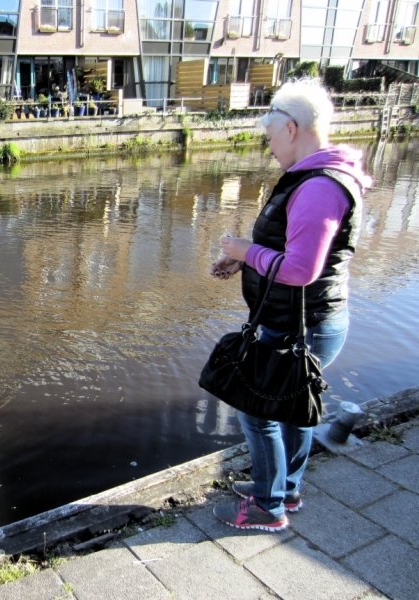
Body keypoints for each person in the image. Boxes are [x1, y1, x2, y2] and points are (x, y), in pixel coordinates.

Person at [208, 79, 372, 531]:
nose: (269, 146)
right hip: (305, 319)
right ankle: (285, 489)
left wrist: (245, 251)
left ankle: (268, 506)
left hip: (305, 325)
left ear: (293, 128)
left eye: (271, 136)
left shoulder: (320, 186)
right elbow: (290, 248)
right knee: (295, 409)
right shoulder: (316, 175)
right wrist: (245, 264)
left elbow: (301, 271)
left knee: (257, 412)